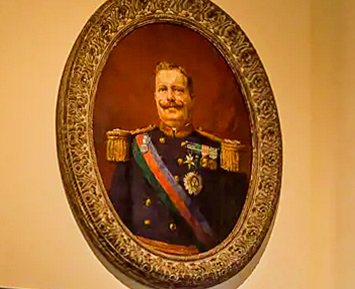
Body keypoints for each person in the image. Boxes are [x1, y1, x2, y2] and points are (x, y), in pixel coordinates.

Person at [104, 62, 249, 255]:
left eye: (178, 90)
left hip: (192, 262)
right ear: (155, 97)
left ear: (191, 98)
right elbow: (116, 218)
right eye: (162, 90)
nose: (170, 98)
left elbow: (230, 224)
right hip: (141, 256)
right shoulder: (134, 147)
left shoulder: (217, 151)